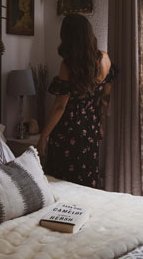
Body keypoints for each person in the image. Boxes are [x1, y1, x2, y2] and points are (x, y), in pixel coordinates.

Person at [37, 14, 116, 189]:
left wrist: (43, 136)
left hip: (68, 130)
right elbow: (105, 97)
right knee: (86, 180)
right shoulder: (105, 58)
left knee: (62, 182)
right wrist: (100, 124)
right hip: (90, 127)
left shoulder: (68, 65)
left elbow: (59, 106)